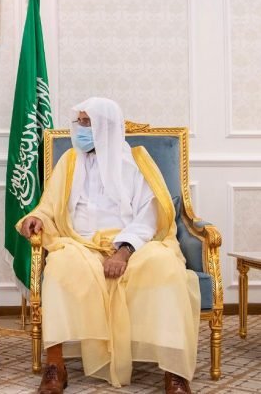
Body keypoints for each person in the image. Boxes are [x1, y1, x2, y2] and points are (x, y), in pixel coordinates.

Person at [17, 97, 199, 394]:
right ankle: (55, 366)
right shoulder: (70, 161)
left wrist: (123, 251)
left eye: (87, 123)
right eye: (79, 122)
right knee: (59, 265)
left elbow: (149, 215)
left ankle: (174, 371)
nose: (80, 129)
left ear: (107, 126)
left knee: (166, 267)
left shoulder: (137, 161)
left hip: (133, 245)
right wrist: (36, 218)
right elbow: (49, 205)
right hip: (81, 244)